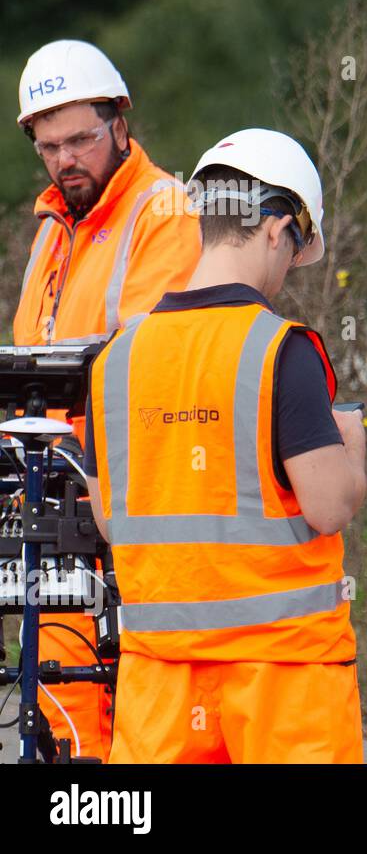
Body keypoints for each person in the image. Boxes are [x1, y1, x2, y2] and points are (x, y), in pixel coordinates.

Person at [82, 128, 367, 763]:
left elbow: (110, 518)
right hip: (282, 684)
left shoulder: (114, 361)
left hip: (160, 688)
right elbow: (327, 507)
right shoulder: (281, 351)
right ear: (276, 230)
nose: (291, 267)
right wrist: (353, 451)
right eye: (296, 248)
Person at [12, 39, 201, 761]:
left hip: (131, 493)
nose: (67, 159)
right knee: (58, 690)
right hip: (56, 496)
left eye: (82, 139)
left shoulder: (164, 212)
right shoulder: (54, 232)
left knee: (133, 700)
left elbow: (145, 359)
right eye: (50, 145)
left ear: (121, 122)